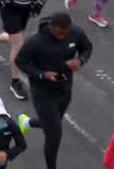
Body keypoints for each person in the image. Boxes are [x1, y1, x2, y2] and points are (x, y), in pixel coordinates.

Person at [13, 11, 92, 169]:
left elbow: (87, 47)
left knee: (51, 123)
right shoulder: (35, 41)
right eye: (59, 33)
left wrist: (80, 60)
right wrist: (42, 74)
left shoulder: (75, 33)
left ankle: (27, 122)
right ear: (51, 27)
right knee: (54, 134)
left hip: (64, 88)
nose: (62, 36)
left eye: (65, 33)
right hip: (43, 92)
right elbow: (20, 61)